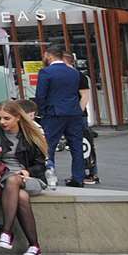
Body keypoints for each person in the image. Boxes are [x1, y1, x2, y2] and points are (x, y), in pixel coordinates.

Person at [0, 100, 47, 255]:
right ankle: (34, 246)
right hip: (3, 175)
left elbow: (41, 165)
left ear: (18, 117)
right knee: (21, 195)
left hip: (30, 178)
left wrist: (27, 171)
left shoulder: (30, 134)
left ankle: (6, 231)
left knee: (15, 181)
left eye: (6, 118)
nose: (2, 122)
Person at [35, 44, 86, 187]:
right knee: (76, 145)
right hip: (74, 112)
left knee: (48, 146)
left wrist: (42, 111)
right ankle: (78, 178)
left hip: (54, 113)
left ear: (49, 55)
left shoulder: (46, 72)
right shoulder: (74, 72)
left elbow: (41, 95)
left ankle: (50, 175)